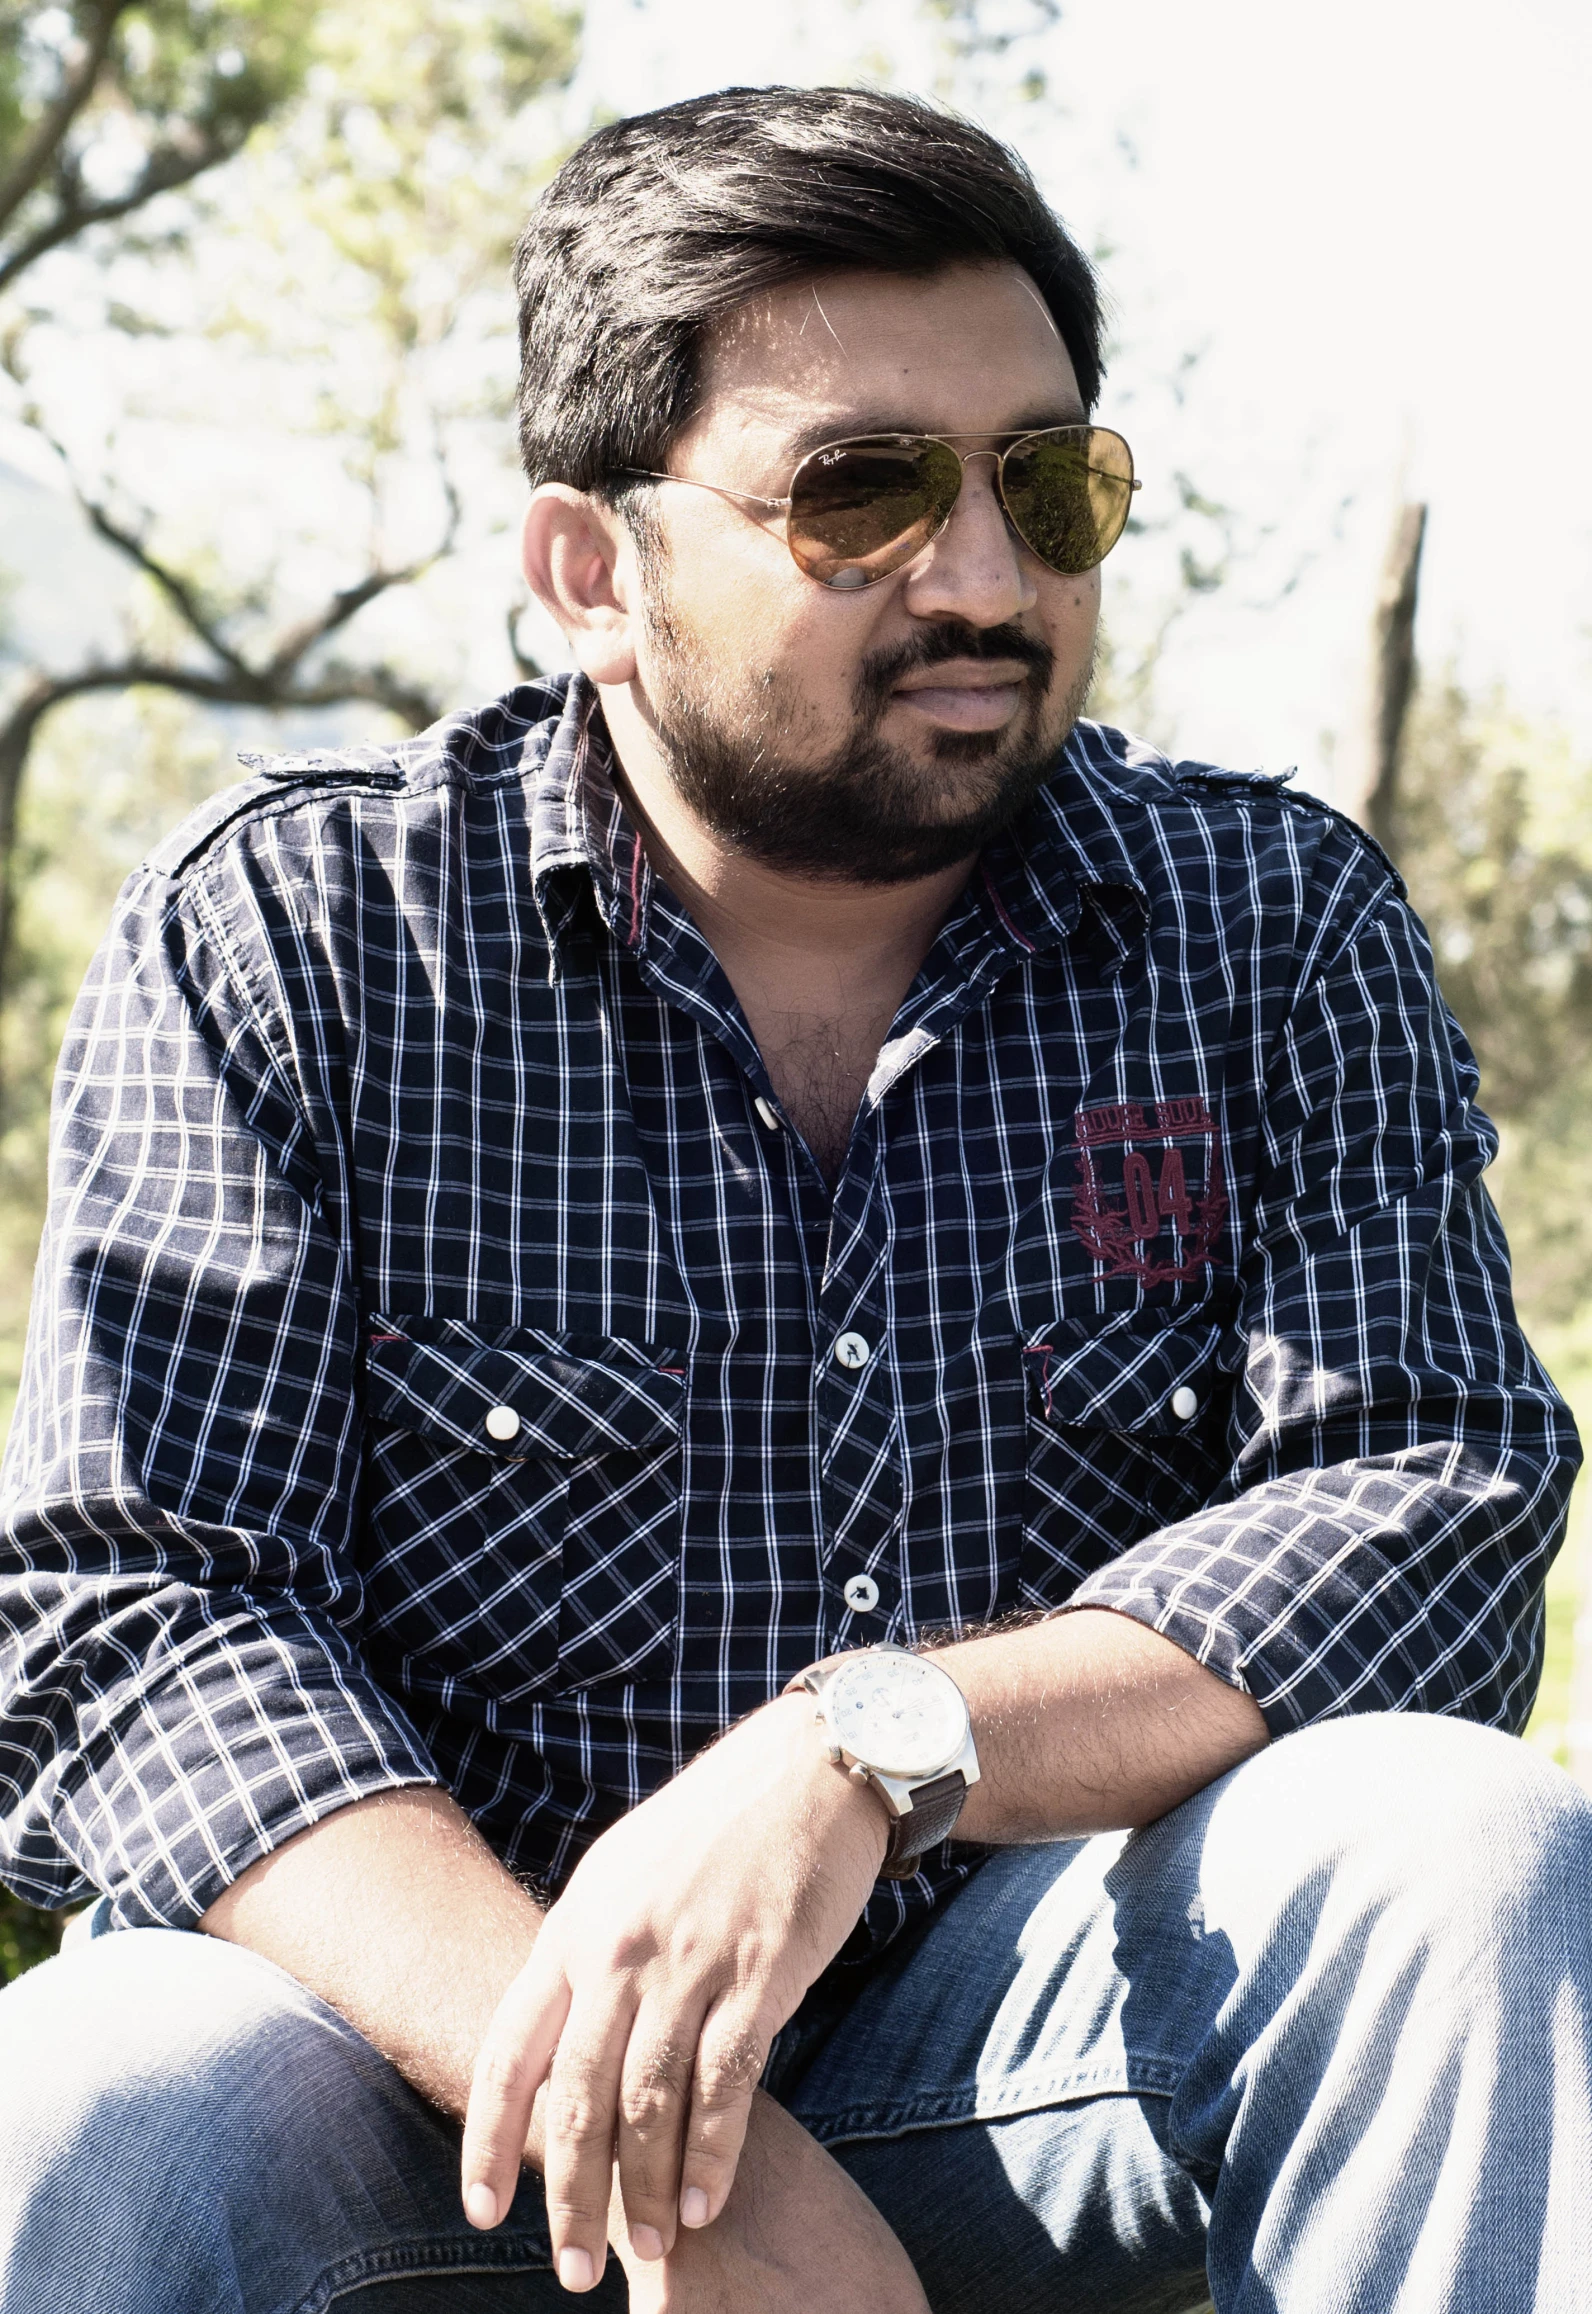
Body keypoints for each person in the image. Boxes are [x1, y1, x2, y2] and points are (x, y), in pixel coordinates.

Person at [0, 82, 1585, 2314]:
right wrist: (676, 2149)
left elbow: (1419, 1487)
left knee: (1450, 1844)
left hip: (1022, 2049)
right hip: (423, 2090)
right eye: (860, 492)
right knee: (92, 2073)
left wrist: (869, 1746)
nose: (982, 577)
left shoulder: (1269, 923)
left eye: (1048, 486)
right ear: (589, 570)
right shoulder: (297, 935)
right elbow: (145, 1612)